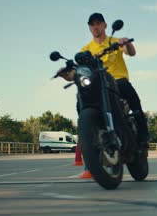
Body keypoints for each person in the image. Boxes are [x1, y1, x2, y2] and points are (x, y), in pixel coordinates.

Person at [59, 12, 149, 150]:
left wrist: (126, 43)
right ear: (89, 28)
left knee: (131, 94)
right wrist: (66, 74)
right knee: (81, 96)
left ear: (105, 25)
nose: (95, 27)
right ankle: (89, 132)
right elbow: (78, 72)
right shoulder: (86, 50)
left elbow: (130, 52)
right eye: (92, 25)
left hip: (117, 81)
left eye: (98, 24)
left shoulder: (115, 41)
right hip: (96, 84)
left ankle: (143, 136)